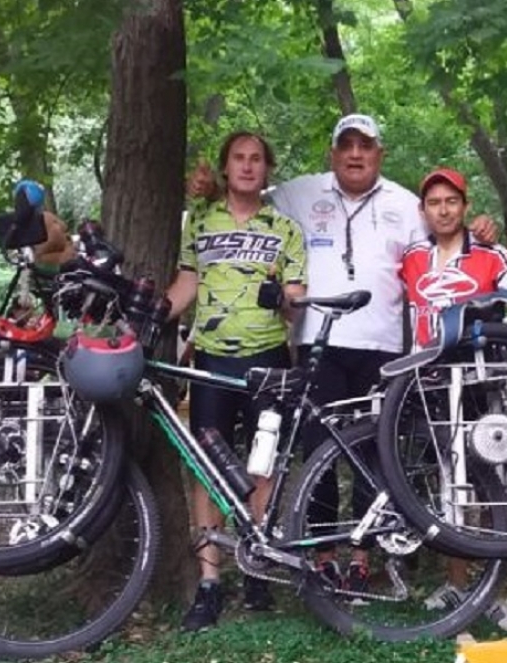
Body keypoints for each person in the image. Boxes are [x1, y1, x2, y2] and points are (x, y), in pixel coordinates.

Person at [189, 114, 507, 597]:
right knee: (318, 453)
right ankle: (324, 557)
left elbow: (446, 232)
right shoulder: (301, 192)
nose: (355, 154)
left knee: (373, 453)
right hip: (319, 344)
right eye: (346, 145)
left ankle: (362, 555)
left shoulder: (407, 204)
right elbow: (244, 194)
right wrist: (204, 191)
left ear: (379, 154)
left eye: (365, 146)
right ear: (333, 153)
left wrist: (485, 230)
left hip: (383, 347)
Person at [167, 131, 307, 631]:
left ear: (267, 170)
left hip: (268, 358)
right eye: (238, 159)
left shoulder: (285, 228)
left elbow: (296, 300)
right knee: (208, 468)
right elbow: (187, 283)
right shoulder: (200, 221)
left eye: (256, 160)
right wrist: (156, 311)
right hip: (210, 360)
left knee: (261, 466)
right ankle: (209, 581)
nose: (247, 167)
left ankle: (256, 563)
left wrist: (284, 297)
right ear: (226, 168)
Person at [399, 166, 507, 631]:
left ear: (465, 206)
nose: (443, 209)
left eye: (451, 201)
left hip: (483, 379)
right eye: (434, 202)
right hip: (429, 381)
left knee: (498, 481)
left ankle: (498, 590)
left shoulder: (490, 255)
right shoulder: (411, 257)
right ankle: (456, 580)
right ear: (423, 211)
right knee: (448, 483)